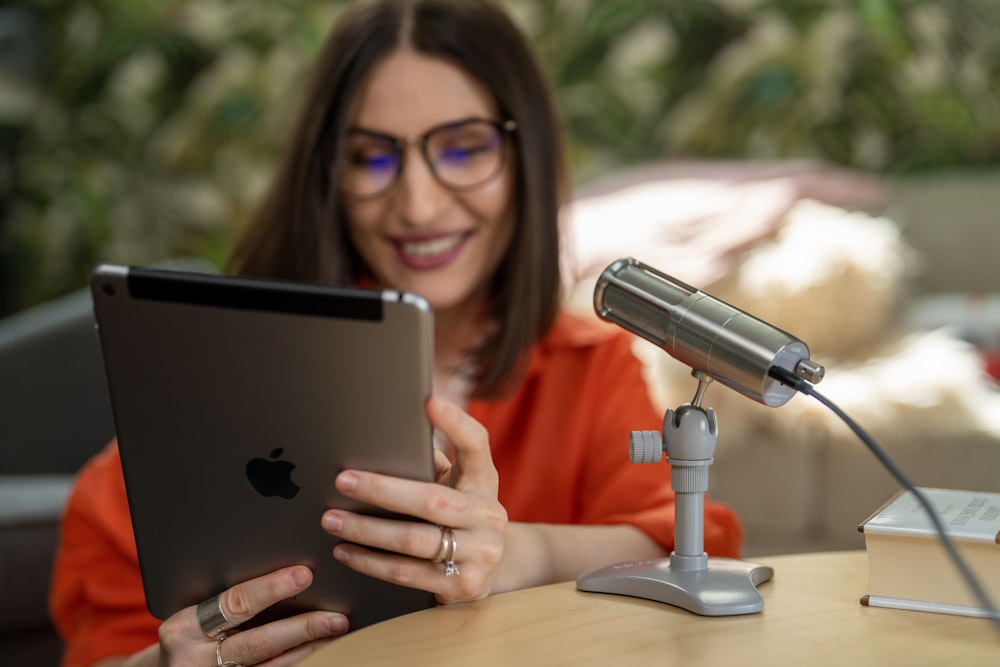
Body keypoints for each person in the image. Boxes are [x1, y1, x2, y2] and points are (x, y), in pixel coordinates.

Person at [50, 1, 743, 665]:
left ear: (524, 155)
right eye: (372, 158)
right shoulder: (230, 366)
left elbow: (686, 548)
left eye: (465, 148)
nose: (418, 203)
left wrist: (514, 553)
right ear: (329, 175)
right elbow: (104, 595)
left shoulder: (586, 364)